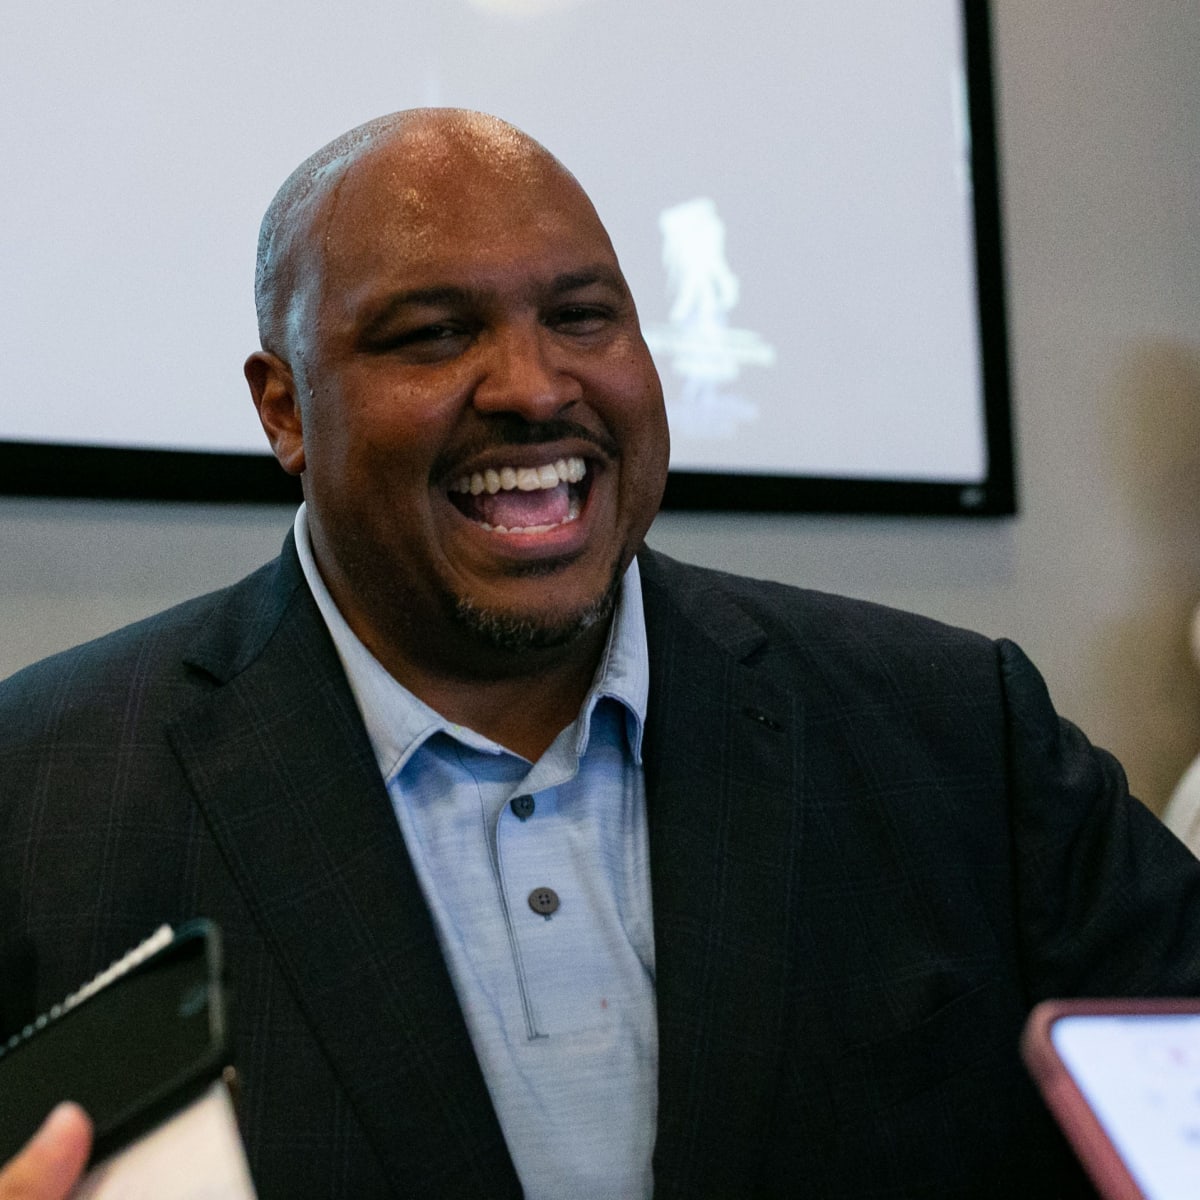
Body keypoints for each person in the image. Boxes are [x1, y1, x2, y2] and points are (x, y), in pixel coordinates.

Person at [1, 108, 1199, 1199]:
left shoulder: (957, 736)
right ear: (283, 411)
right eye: (432, 334)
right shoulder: (39, 796)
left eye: (583, 317)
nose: (532, 387)